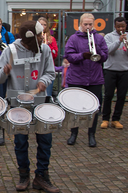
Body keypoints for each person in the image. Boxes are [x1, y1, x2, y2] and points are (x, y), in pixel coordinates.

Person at [0, 20, 59, 193]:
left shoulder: (44, 50)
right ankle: (24, 175)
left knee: (45, 140)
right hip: (17, 104)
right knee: (20, 141)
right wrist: (4, 72)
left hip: (40, 102)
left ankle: (41, 176)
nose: (42, 39)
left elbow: (50, 72)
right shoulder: (10, 51)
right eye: (38, 36)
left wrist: (43, 81)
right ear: (29, 38)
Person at [64, 12, 108, 147]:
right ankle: (74, 134)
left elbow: (105, 57)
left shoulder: (99, 39)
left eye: (90, 24)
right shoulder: (73, 38)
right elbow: (69, 56)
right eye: (85, 24)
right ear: (80, 24)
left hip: (94, 79)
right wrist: (83, 55)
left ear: (93, 24)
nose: (88, 27)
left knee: (94, 110)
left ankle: (91, 135)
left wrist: (98, 49)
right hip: (77, 79)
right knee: (75, 109)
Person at [101, 16, 128, 129]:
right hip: (110, 70)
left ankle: (116, 119)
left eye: (122, 26)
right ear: (115, 26)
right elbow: (108, 51)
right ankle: (105, 119)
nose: (121, 28)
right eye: (118, 26)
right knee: (108, 95)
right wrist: (119, 41)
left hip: (125, 70)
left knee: (121, 96)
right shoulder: (109, 36)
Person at [38, 17, 58, 97]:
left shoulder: (52, 39)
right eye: (40, 24)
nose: (42, 26)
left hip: (47, 66)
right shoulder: (34, 38)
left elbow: (55, 55)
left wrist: (48, 47)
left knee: (47, 95)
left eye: (44, 25)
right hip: (38, 67)